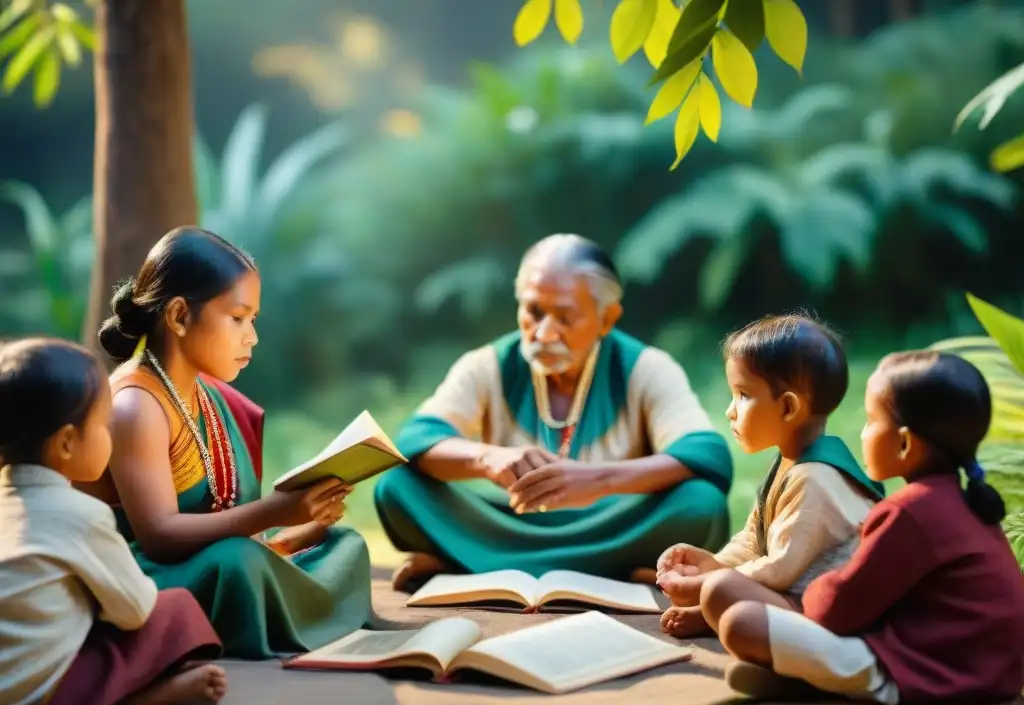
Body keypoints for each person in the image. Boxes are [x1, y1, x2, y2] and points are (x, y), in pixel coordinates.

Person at [374, 233, 734, 591]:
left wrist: (597, 481)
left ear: (606, 318)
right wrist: (485, 458)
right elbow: (415, 441)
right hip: (510, 523)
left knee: (702, 503)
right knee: (396, 486)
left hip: (611, 523)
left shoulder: (646, 368)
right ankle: (616, 572)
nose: (544, 334)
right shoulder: (487, 365)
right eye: (533, 312)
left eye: (565, 317)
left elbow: (707, 454)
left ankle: (466, 562)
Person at [81, 226, 373, 660]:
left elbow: (223, 515)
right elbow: (159, 536)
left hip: (214, 560)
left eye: (252, 320)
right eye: (237, 318)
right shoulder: (135, 406)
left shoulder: (206, 394)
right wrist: (275, 509)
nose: (251, 336)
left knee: (345, 544)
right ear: (179, 316)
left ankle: (290, 605)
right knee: (240, 564)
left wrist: (292, 529)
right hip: (145, 579)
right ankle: (294, 611)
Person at [716, 351, 1024, 705]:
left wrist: (811, 592)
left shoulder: (912, 510)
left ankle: (826, 681)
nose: (862, 434)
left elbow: (835, 611)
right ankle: (808, 677)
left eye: (871, 421)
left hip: (928, 672)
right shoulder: (963, 500)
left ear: (905, 443)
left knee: (742, 622)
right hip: (992, 673)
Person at [0, 339, 225, 705]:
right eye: (105, 426)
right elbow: (135, 610)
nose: (111, 436)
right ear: (67, 443)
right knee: (174, 610)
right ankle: (136, 697)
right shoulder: (82, 515)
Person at [656, 314, 884, 639]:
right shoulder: (789, 464)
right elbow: (754, 540)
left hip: (826, 610)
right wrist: (713, 563)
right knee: (721, 587)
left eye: (743, 395)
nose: (730, 410)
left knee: (723, 593)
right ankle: (714, 610)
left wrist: (705, 584)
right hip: (789, 590)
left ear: (788, 408)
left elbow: (778, 569)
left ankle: (713, 613)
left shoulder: (816, 479)